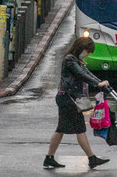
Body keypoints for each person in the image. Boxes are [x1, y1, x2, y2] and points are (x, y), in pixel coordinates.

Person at [44, 37, 110, 169]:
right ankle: (91, 158)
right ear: (81, 48)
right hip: (68, 99)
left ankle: (49, 158)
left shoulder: (77, 60)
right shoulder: (69, 59)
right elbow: (81, 75)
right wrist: (98, 84)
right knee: (80, 129)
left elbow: (87, 73)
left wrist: (100, 81)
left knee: (60, 129)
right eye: (87, 51)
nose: (88, 54)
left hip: (68, 98)